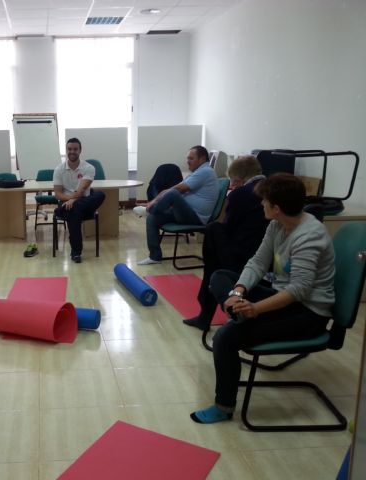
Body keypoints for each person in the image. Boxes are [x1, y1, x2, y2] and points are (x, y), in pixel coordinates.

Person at [190, 173, 335, 424]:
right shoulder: (277, 225)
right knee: (221, 276)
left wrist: (256, 308)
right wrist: (238, 292)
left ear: (276, 208)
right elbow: (257, 262)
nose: (261, 204)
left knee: (225, 338)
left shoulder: (310, 236)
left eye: (264, 201)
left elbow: (298, 290)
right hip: (280, 296)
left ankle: (224, 407)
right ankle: (238, 313)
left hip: (307, 312)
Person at [183, 155, 269, 331]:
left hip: (246, 256)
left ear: (239, 179)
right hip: (268, 254)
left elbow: (230, 228)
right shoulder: (272, 188)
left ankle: (206, 312)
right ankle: (206, 311)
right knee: (215, 239)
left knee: (213, 232)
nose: (232, 185)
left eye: (233, 181)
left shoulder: (241, 194)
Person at [137, 146, 219, 265]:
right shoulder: (197, 173)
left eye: (191, 158)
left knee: (173, 194)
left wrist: (152, 205)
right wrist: (152, 202)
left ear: (202, 159)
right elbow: (170, 189)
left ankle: (150, 210)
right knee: (152, 218)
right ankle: (155, 257)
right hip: (185, 214)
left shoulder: (206, 171)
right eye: (187, 158)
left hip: (196, 217)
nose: (187, 161)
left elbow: (178, 189)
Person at [53, 138, 105, 263]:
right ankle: (76, 253)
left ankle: (60, 210)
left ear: (80, 150)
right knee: (74, 212)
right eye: (69, 149)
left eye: (75, 149)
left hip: (84, 201)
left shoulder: (89, 168)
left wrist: (74, 201)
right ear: (66, 150)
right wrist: (72, 200)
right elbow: (58, 194)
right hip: (67, 203)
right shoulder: (59, 169)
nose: (72, 151)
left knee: (100, 195)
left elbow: (81, 190)